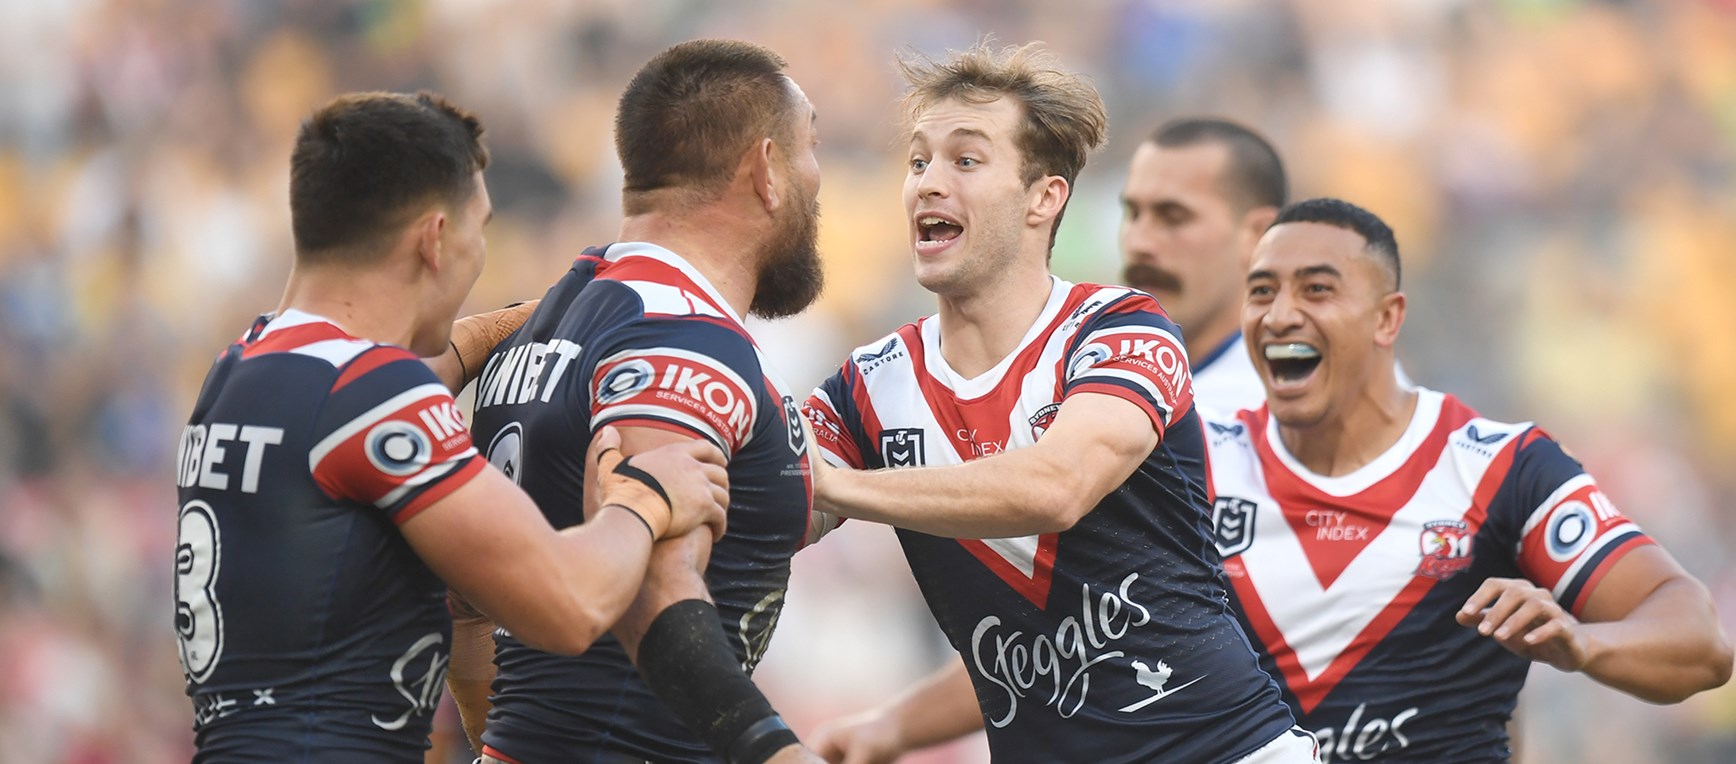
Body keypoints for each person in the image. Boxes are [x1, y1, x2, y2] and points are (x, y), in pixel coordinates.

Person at [799, 43, 1319, 764]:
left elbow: (1057, 487)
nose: (928, 184)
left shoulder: (1120, 329)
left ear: (1044, 197)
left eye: (966, 160)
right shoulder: (869, 385)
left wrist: (836, 486)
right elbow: (770, 503)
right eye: (918, 162)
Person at [173, 91, 730, 763]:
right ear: (435, 239)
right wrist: (645, 499)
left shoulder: (241, 368)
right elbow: (571, 607)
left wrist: (508, 327)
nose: (480, 253)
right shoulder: (372, 392)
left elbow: (361, 403)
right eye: (481, 228)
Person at [1202, 197, 1732, 761]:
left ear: (1387, 318)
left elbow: (1701, 643)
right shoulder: (1200, 464)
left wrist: (1582, 642)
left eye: (1316, 290)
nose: (1279, 315)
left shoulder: (1501, 468)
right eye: (1262, 291)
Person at [453, 40, 826, 764]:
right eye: (810, 146)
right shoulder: (679, 337)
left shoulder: (552, 320)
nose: (819, 178)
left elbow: (466, 611)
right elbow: (656, 597)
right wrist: (778, 754)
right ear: (766, 170)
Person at [1119, 118, 1287, 412]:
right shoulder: (1091, 381)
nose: (1139, 243)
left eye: (1173, 217)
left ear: (1259, 235)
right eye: (1133, 213)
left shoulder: (1286, 417)